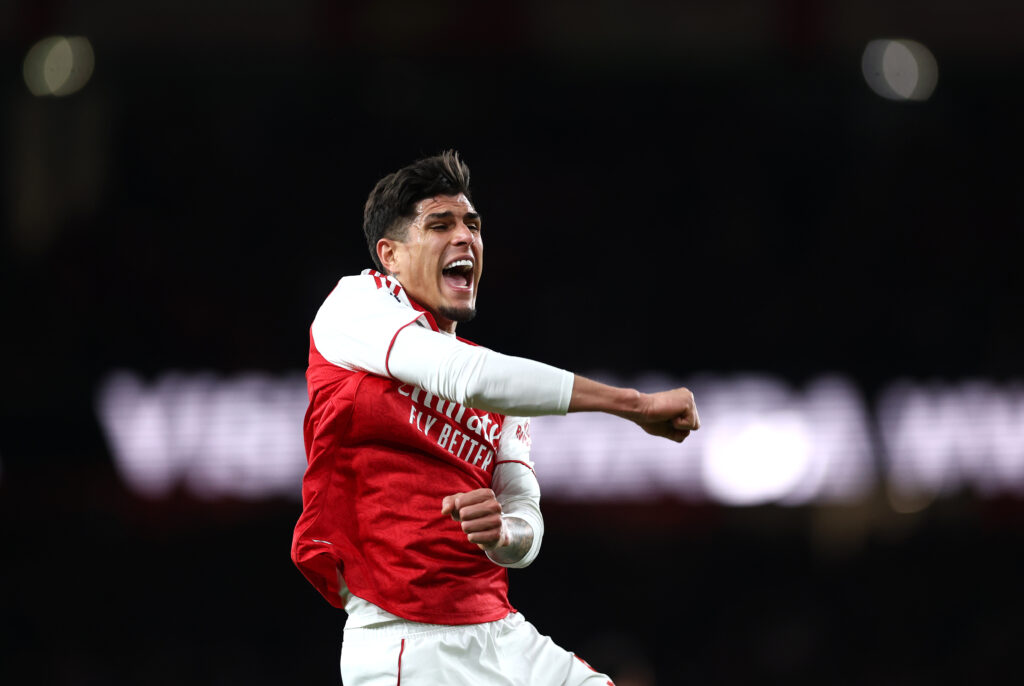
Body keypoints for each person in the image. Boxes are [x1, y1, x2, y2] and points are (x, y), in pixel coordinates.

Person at [291, 150, 700, 685]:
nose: (465, 237)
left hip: (501, 633)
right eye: (440, 225)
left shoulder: (501, 387)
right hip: (408, 645)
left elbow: (526, 517)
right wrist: (634, 404)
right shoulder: (354, 308)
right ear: (390, 254)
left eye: (473, 225)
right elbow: (469, 377)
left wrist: (504, 535)